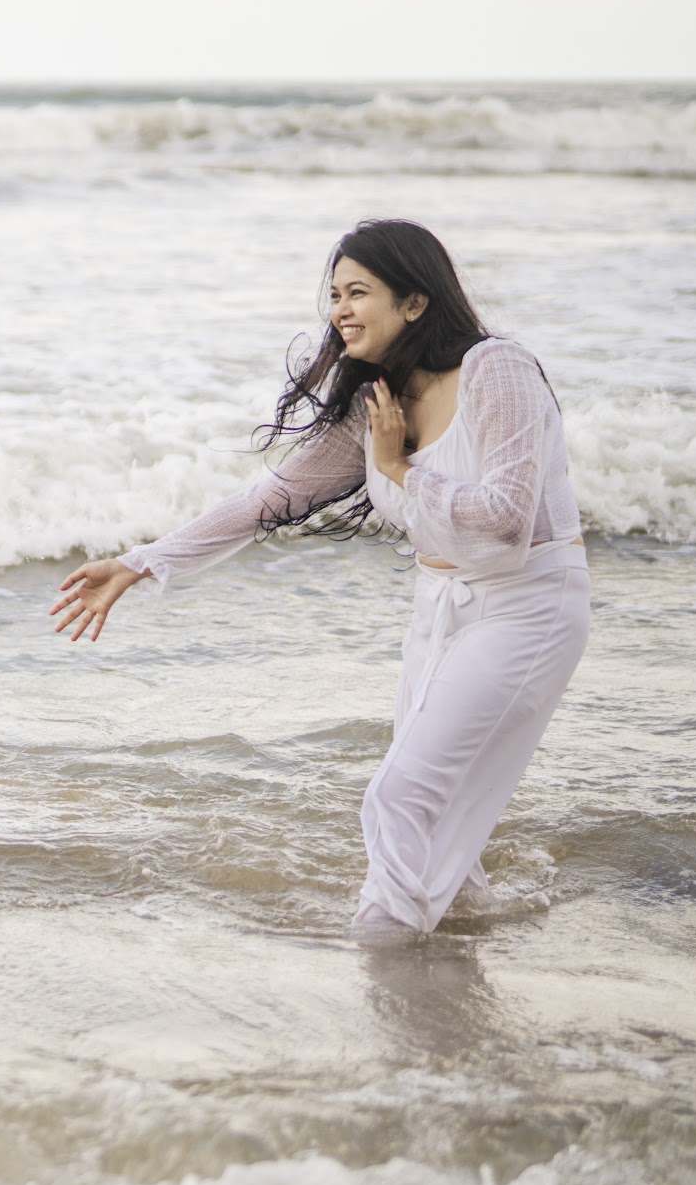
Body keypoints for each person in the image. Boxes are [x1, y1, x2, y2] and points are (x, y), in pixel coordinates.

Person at [50, 219, 588, 935]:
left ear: (416, 303)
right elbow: (264, 501)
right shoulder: (377, 403)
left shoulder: (499, 370)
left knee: (399, 796)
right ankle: (455, 947)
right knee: (432, 805)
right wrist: (142, 562)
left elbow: (505, 520)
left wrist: (399, 469)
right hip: (440, 609)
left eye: (358, 291)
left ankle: (382, 957)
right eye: (333, 294)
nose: (338, 310)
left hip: (528, 606)